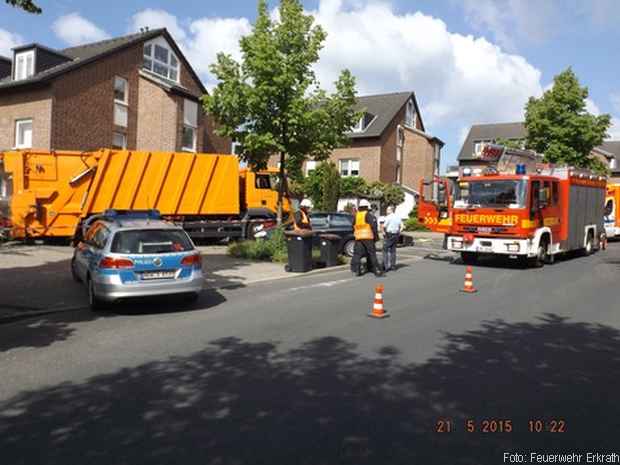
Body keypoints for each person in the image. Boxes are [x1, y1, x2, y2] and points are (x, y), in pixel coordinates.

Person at [350, 199, 383, 277]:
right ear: (367, 207)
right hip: (368, 237)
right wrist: (376, 238)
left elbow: (353, 226)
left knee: (357, 254)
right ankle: (377, 270)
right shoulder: (368, 215)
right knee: (372, 254)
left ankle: (357, 271)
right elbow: (373, 227)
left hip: (358, 237)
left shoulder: (357, 215)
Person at [381, 206, 403, 272]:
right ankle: (393, 266)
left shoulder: (388, 217)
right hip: (396, 234)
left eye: (387, 209)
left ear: (391, 210)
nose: (386, 211)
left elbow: (384, 226)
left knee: (385, 249)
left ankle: (386, 266)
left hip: (389, 234)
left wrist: (383, 232)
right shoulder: (398, 217)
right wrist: (399, 232)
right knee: (393, 250)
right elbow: (402, 226)